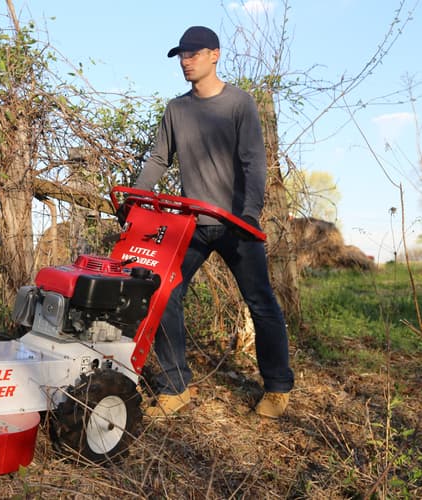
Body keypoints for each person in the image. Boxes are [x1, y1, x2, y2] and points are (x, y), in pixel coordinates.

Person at [131, 26, 294, 418]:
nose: (186, 61)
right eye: (181, 56)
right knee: (162, 293)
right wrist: (137, 197)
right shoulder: (177, 109)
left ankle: (277, 387)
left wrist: (249, 212)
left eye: (193, 54)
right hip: (193, 223)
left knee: (261, 302)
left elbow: (254, 161)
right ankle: (175, 387)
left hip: (237, 223)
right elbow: (158, 159)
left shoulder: (240, 104)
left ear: (215, 55)